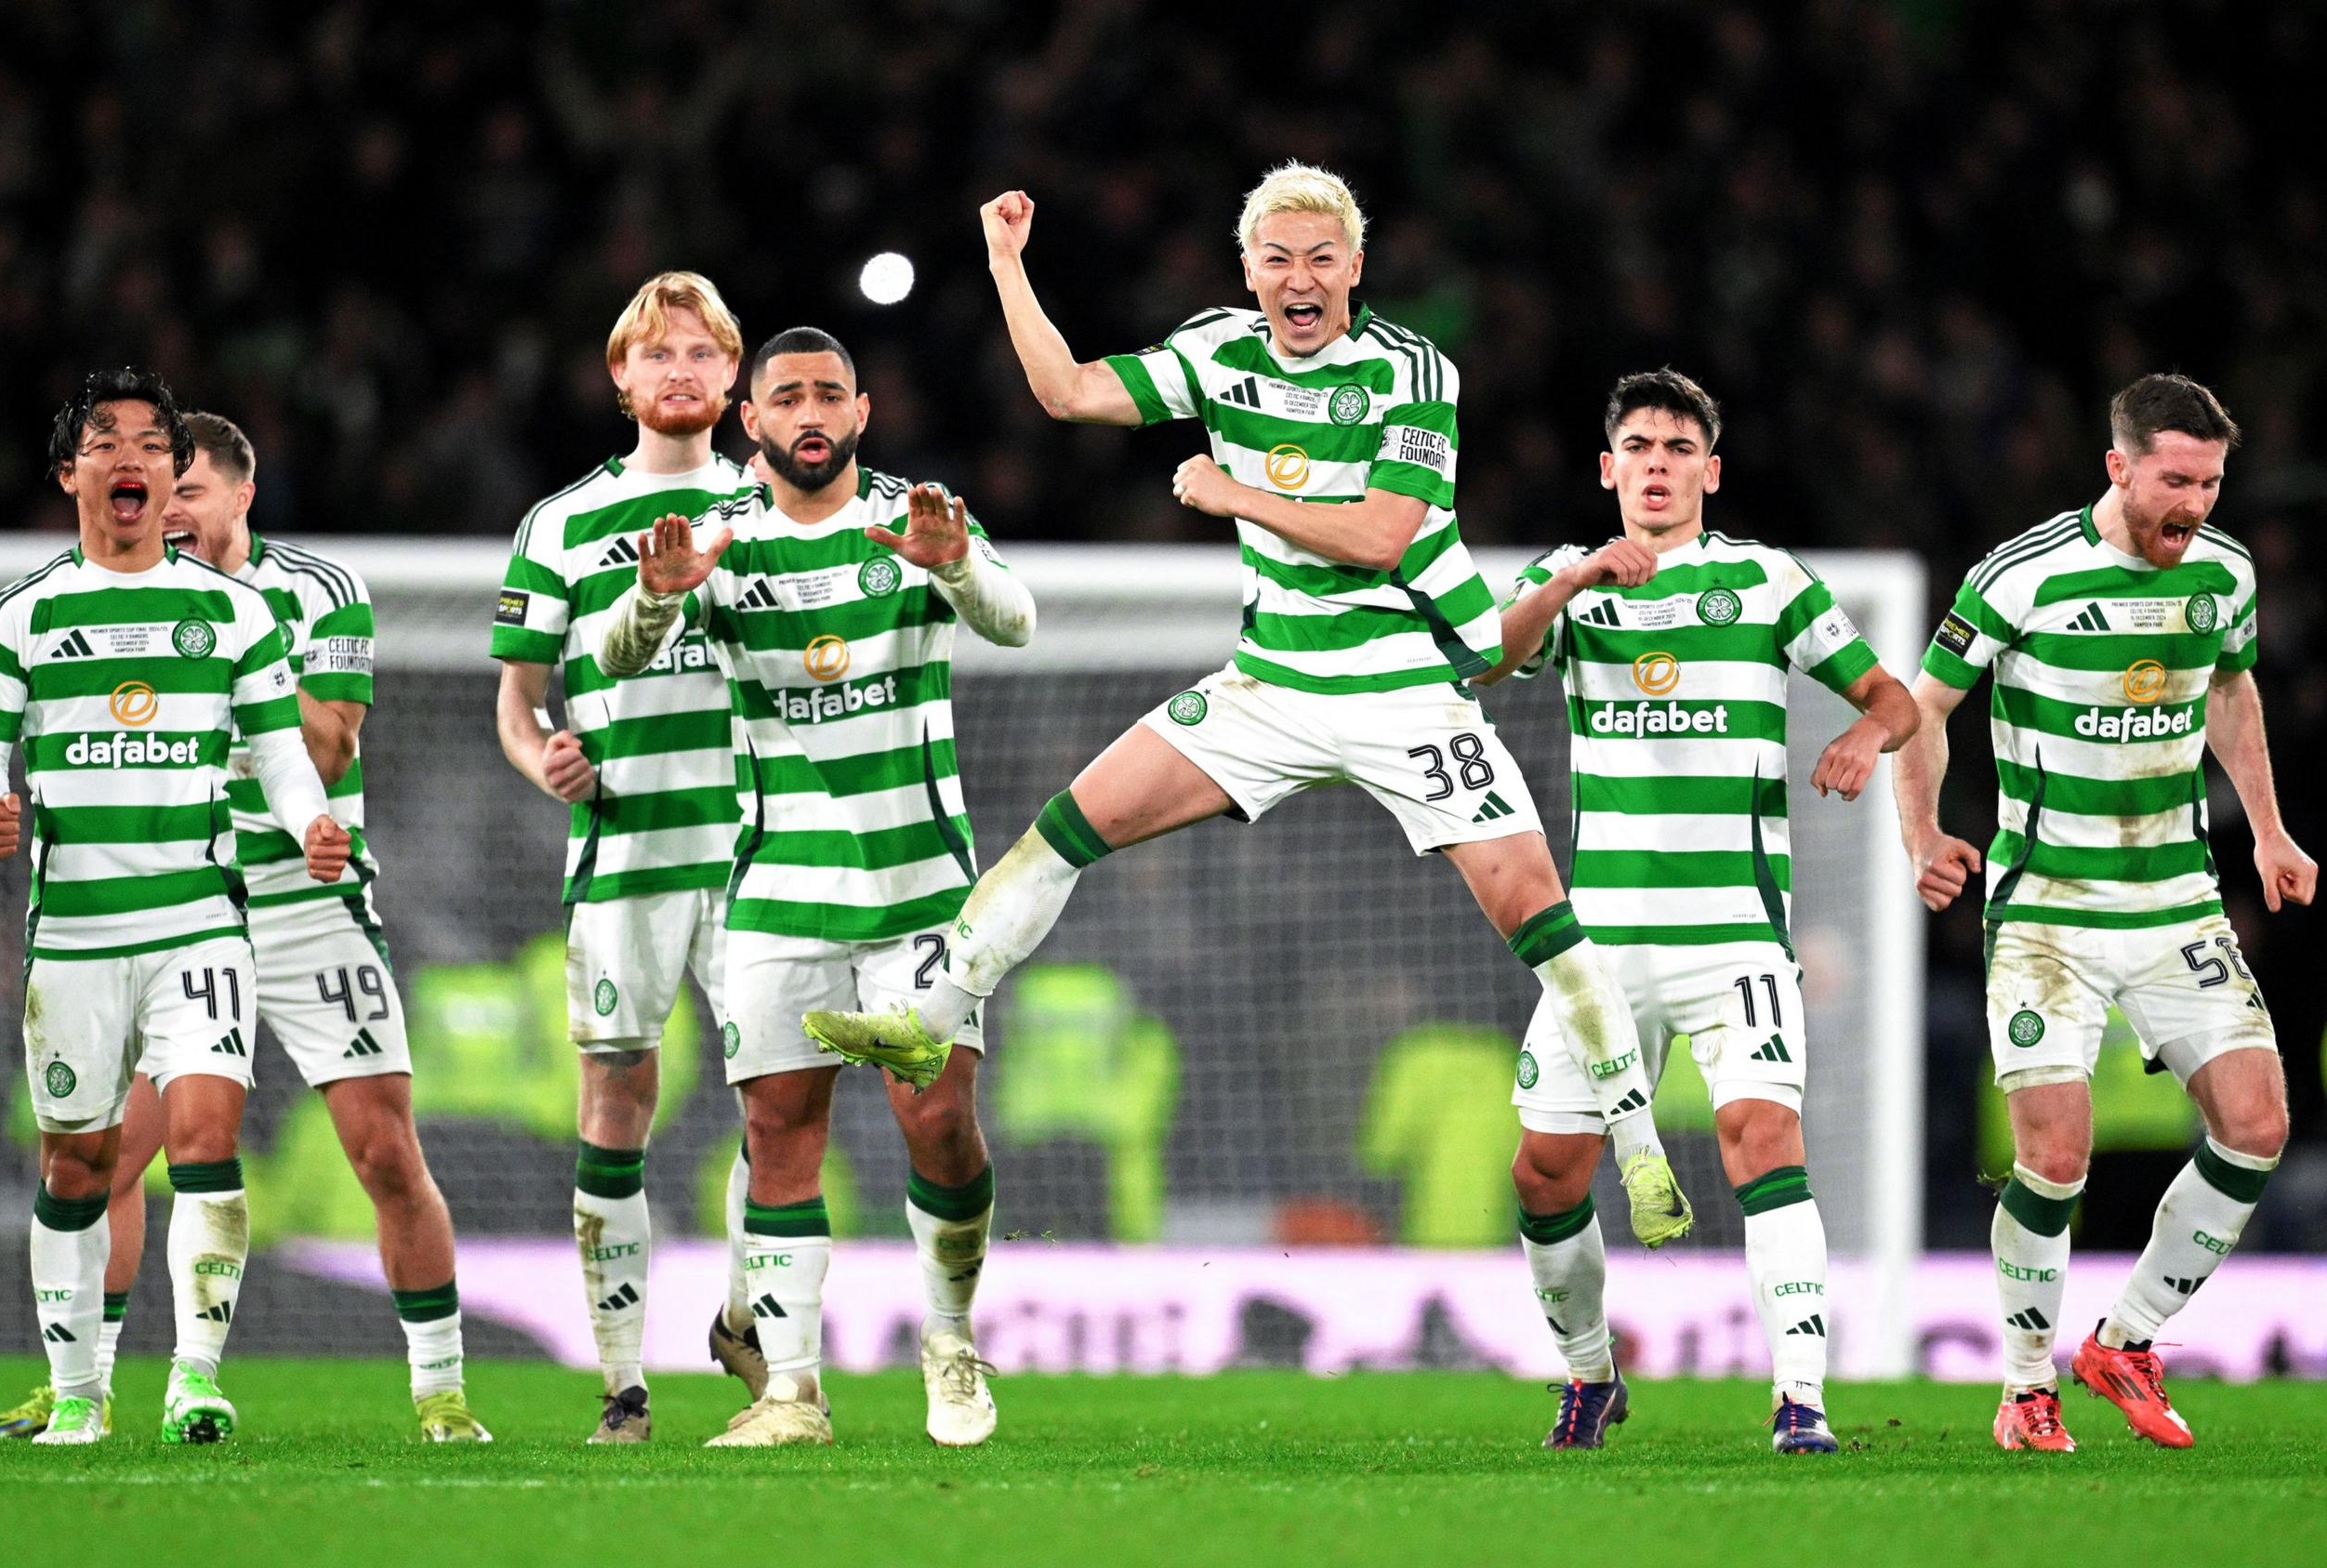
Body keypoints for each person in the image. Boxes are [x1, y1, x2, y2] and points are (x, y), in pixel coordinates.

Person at [804, 164, 1690, 1244]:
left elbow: (1377, 533)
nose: (1300, 278)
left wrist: (1229, 491)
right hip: (1267, 688)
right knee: (1062, 829)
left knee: (1542, 923)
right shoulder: (1219, 347)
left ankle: (1640, 1151)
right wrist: (1004, 263)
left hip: (1404, 688)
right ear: (1248, 270)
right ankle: (925, 1021)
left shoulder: (1413, 371)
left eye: (1322, 258)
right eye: (1278, 258)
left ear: (1356, 268)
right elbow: (1069, 391)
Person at [0, 413, 490, 1443]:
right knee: (109, 1156)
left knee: (382, 1148)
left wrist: (222, 647)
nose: (173, 508)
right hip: (186, 911)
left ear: (243, 496)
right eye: (165, 491)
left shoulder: (316, 593)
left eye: (191, 490)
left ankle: (441, 1388)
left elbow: (325, 751)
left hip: (306, 911)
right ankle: (83, 1385)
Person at [602, 325, 1034, 1448]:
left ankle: (949, 1339)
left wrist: (953, 564)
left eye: (826, 394)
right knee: (780, 1128)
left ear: (860, 411)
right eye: (784, 394)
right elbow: (610, 654)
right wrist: (655, 598)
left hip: (919, 891)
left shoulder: (915, 516)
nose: (807, 410)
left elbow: (1018, 622)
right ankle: (791, 1391)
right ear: (749, 419)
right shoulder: (713, 540)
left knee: (937, 1117)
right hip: (779, 888)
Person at [1476, 370, 1916, 1453]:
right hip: (1600, 951)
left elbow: (1893, 698)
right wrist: (1576, 578)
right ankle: (1589, 1374)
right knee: (1543, 1172)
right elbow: (1490, 655)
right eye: (1638, 444)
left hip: (1734, 938)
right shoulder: (1565, 582)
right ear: (1607, 468)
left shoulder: (1766, 583)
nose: (1658, 462)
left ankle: (1801, 1394)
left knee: (1760, 1139)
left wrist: (1864, 735)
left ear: (1709, 471)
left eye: (1679, 446)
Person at [1894, 373, 2311, 1453]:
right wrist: (1921, 833)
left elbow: (2230, 689)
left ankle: (2124, 1339)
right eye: (2174, 479)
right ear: (2118, 465)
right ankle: (2024, 1384)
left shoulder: (2222, 572)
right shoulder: (2019, 575)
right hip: (2047, 909)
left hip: (2174, 896)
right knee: (2056, 1154)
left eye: (2210, 481)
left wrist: (2267, 829)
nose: (2195, 503)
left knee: (2258, 1124)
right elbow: (1927, 709)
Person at [490, 271, 762, 1441]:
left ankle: (750, 1316)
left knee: (782, 1100)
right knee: (619, 1093)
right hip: (629, 846)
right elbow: (516, 700)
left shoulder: (775, 505)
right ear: (621, 378)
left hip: (766, 846)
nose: (681, 371)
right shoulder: (559, 523)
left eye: (702, 353)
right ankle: (622, 1382)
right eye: (659, 355)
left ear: (733, 376)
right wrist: (539, 755)